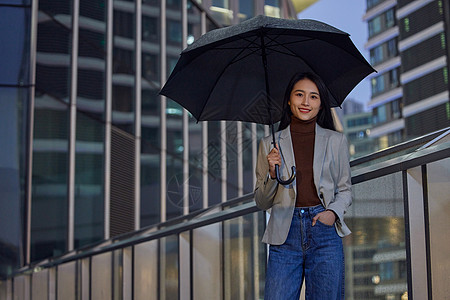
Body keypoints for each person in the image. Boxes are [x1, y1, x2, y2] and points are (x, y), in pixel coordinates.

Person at [254, 72, 352, 300]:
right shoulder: (269, 144)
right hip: (284, 233)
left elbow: (345, 189)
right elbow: (261, 201)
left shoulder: (336, 141)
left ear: (321, 104)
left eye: (314, 97)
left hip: (324, 230)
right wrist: (271, 173)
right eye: (299, 95)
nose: (306, 102)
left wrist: (331, 213)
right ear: (289, 100)